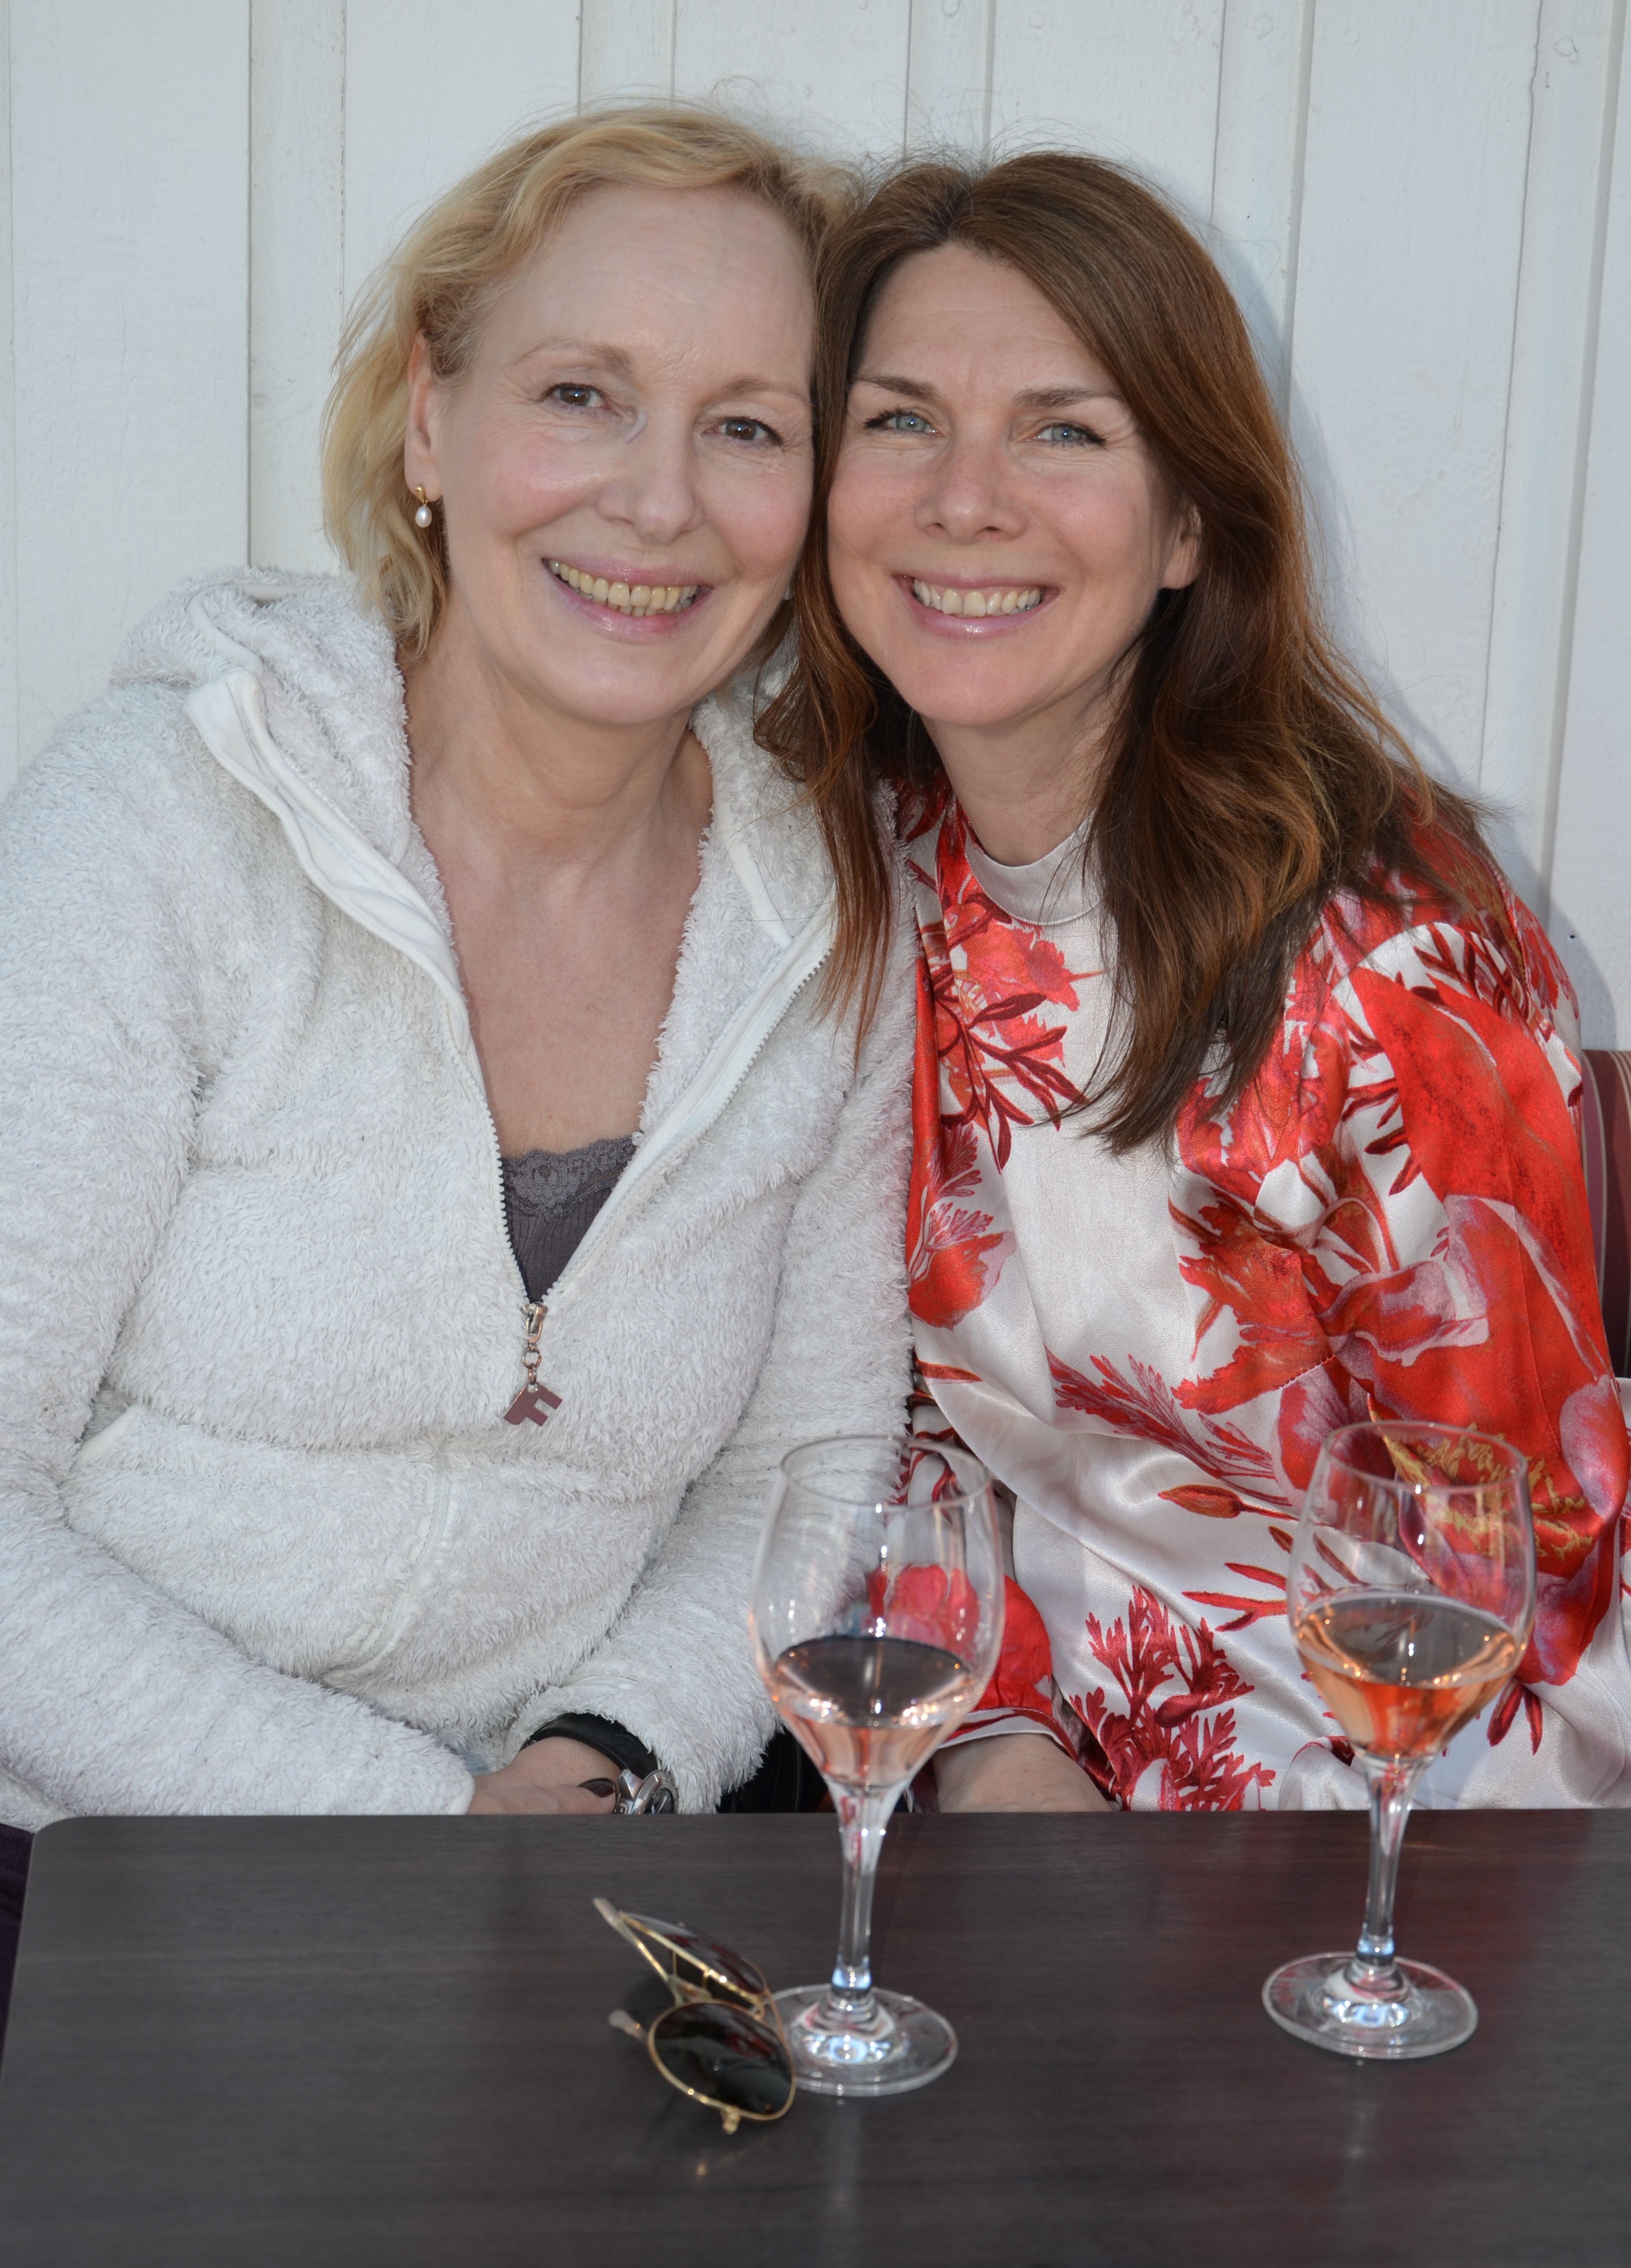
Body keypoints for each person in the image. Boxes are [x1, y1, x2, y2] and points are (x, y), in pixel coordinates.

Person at [0, 104, 918, 1993]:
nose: (657, 501)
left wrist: (603, 1766)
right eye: (583, 395)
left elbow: (806, 1468)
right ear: (430, 419)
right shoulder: (163, 817)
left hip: (567, 1884)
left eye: (748, 427)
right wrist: (422, 1826)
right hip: (89, 1875)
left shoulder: (830, 916)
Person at [759, 149, 1631, 1813]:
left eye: (1065, 431)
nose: (966, 499)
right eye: (901, 419)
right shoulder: (850, 869)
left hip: (1383, 1834)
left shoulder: (1394, 962)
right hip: (998, 1784)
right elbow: (896, 1426)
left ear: (1187, 528)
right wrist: (1001, 1759)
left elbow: (1520, 1586)